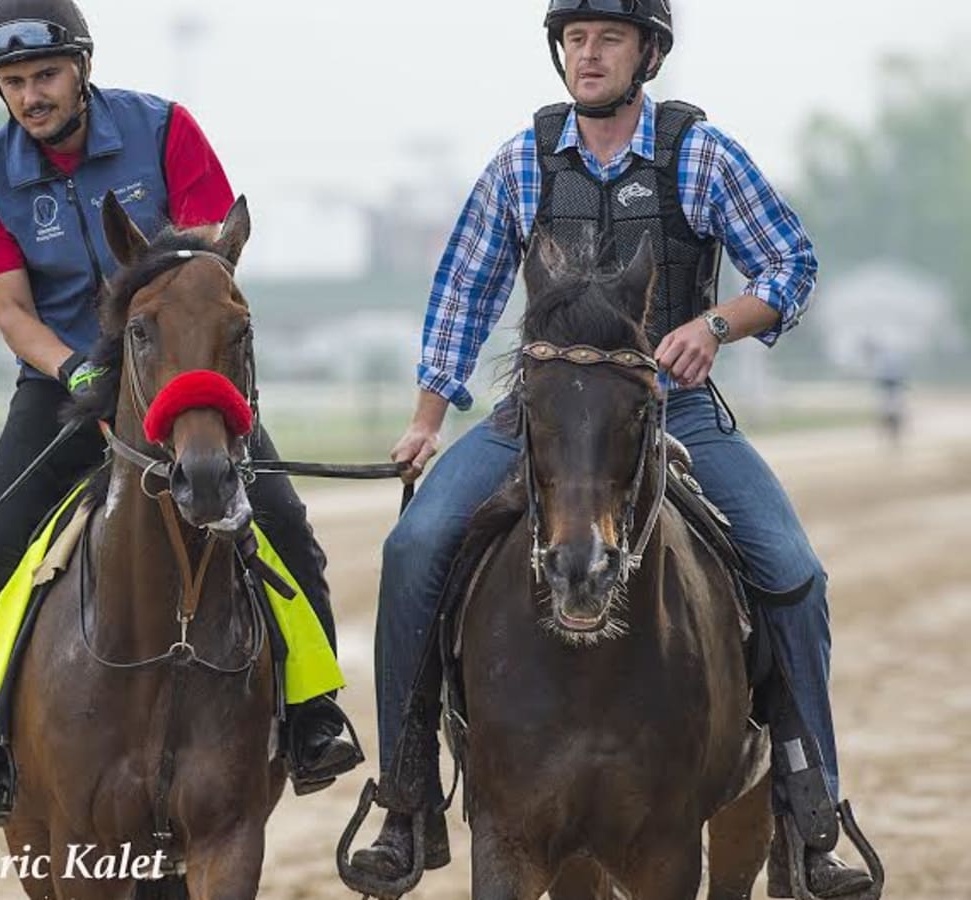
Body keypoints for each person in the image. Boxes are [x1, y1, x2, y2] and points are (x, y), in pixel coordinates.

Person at [350, 2, 873, 896]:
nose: (587, 56)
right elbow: (462, 295)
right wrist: (428, 418)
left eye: (608, 40)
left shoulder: (699, 156)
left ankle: (808, 800)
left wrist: (717, 323)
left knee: (793, 569)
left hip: (675, 413)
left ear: (649, 53)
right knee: (413, 548)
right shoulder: (521, 163)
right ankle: (407, 800)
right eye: (574, 40)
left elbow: (790, 264)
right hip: (538, 416)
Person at [0, 0, 359, 820]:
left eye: (46, 76)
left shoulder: (165, 129)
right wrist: (75, 375)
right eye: (15, 82)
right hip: (66, 380)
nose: (32, 97)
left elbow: (207, 257)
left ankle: (314, 713)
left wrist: (164, 358)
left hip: (182, 363)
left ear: (82, 69)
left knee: (279, 518)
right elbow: (13, 315)